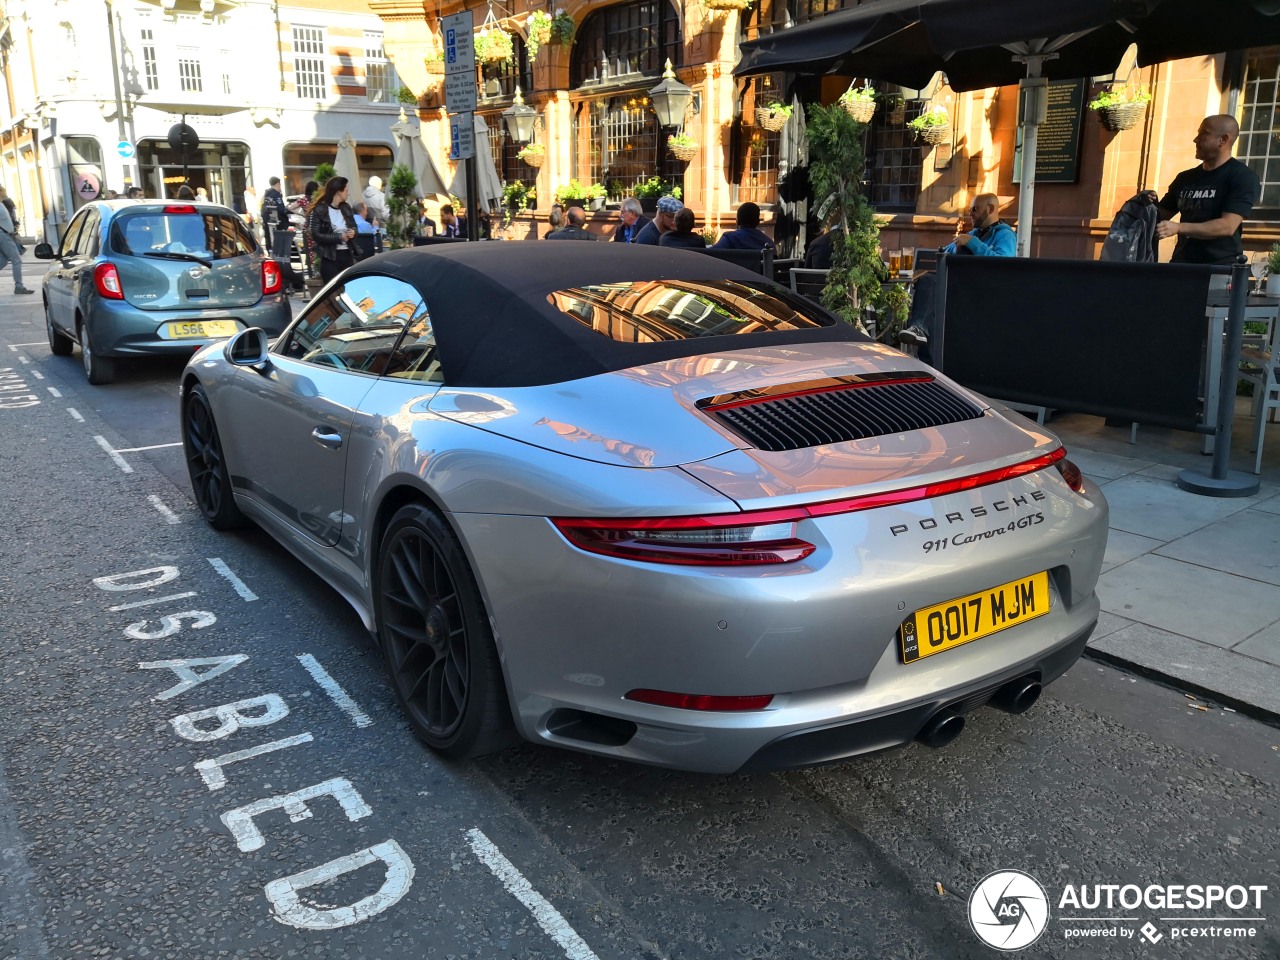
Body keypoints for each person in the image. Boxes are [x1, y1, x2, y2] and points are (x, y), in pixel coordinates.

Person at [897, 193, 1015, 360]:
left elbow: (1003, 263)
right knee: (929, 286)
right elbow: (946, 250)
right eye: (969, 209)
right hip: (961, 289)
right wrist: (956, 245)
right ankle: (921, 337)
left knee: (932, 288)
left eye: (975, 209)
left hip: (985, 293)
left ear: (990, 209)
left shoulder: (1004, 234)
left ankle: (921, 335)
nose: (971, 213)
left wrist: (972, 243)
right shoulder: (975, 233)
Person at [1145, 114, 1260, 266]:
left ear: (1223, 140)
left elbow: (1227, 226)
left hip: (1219, 268)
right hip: (1181, 264)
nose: (1196, 139)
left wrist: (1179, 227)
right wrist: (1146, 203)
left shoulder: (1242, 177)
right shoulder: (1185, 178)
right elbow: (1160, 215)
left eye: (1203, 134)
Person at [308, 176, 363, 283]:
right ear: (338, 192)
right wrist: (339, 237)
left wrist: (353, 232)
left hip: (347, 255)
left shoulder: (346, 207)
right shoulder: (320, 209)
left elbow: (354, 227)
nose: (348, 193)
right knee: (332, 292)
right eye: (346, 190)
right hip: (330, 257)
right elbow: (315, 234)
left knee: (348, 289)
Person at [0, 192, 31, 294]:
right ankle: (19, 286)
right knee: (16, 260)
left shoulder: (1, 204)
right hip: (4, 236)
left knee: (3, 260)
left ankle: (19, 286)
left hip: (6, 235)